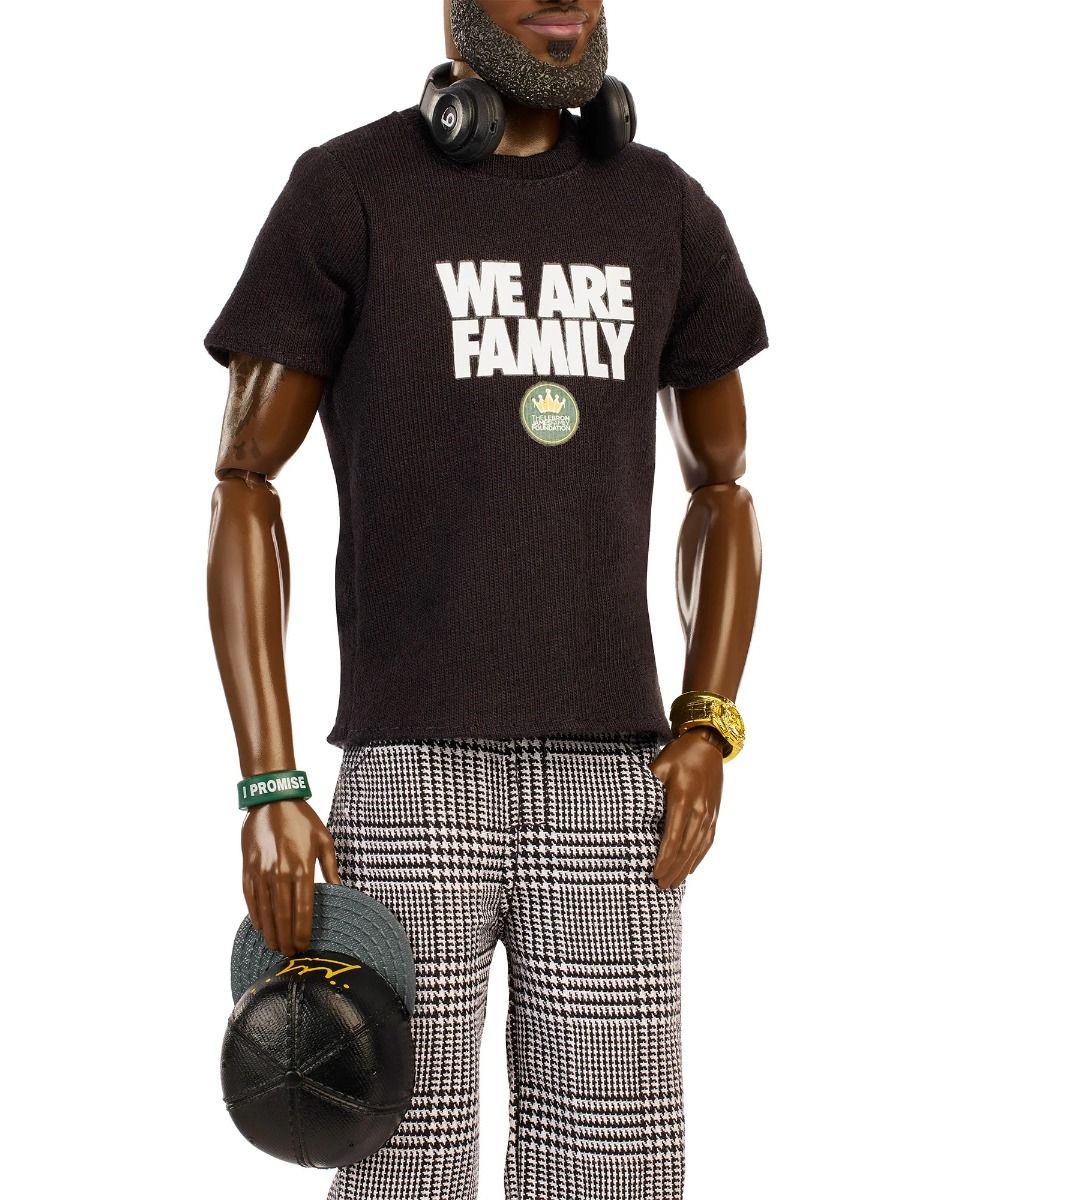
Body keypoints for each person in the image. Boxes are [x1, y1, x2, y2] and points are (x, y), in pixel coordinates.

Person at [204, 3, 768, 1197]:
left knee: (616, 1169)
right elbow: (245, 481)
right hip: (409, 771)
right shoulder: (349, 194)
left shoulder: (662, 208)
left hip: (615, 782)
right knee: (394, 1160)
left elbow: (723, 490)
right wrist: (269, 784)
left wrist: (708, 723)